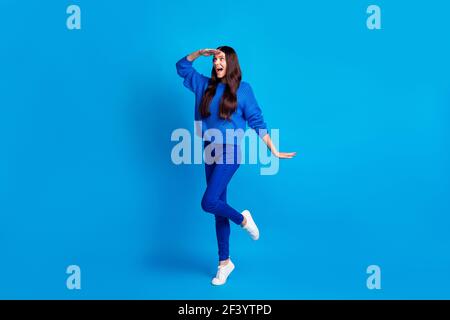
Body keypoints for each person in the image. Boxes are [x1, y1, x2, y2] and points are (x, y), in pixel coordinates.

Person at [176, 46, 296, 285]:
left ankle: (243, 219)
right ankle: (224, 263)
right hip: (209, 151)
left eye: (222, 59)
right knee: (217, 207)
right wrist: (199, 53)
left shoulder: (244, 90)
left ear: (231, 63)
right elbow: (181, 67)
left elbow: (256, 120)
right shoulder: (203, 86)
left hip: (230, 152)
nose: (218, 63)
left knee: (209, 202)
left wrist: (272, 149)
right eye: (215, 59)